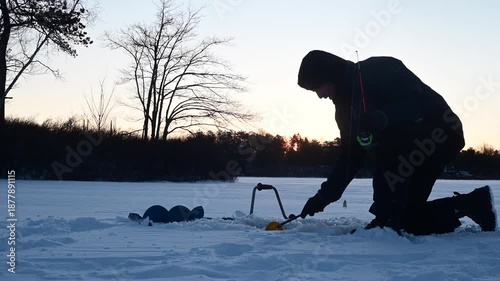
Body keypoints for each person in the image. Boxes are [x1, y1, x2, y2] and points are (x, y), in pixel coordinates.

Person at [297, 50, 497, 235]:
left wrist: (383, 117)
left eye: (317, 87)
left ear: (330, 75)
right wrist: (323, 197)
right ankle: (472, 203)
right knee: (408, 219)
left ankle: (386, 218)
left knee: (388, 143)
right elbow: (350, 158)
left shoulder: (379, 69)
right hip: (408, 147)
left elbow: (418, 101)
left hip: (440, 132)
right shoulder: (344, 113)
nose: (320, 95)